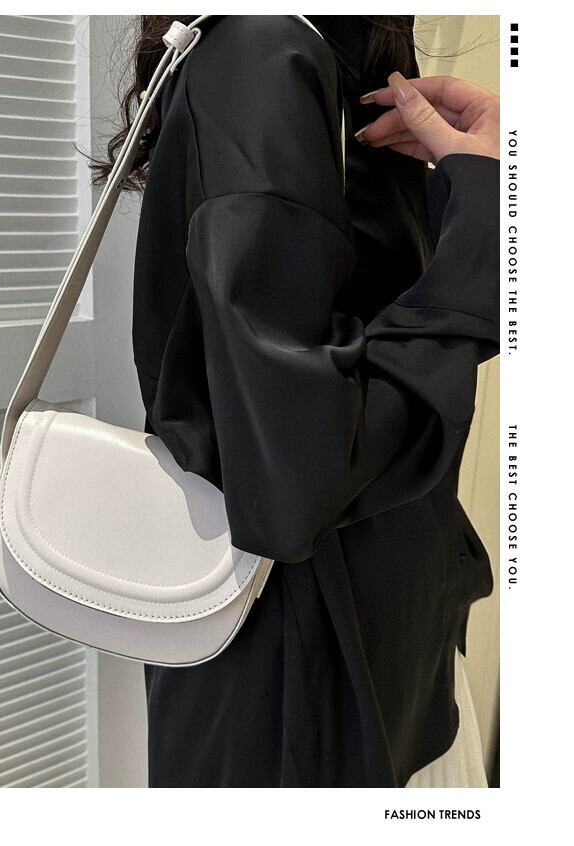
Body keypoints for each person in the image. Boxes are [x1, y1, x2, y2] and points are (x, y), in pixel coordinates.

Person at [91, 15, 500, 787]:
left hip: (383, 658)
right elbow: (299, 476)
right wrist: (490, 214)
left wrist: (474, 189)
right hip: (314, 694)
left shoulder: (334, 58)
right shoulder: (261, 56)